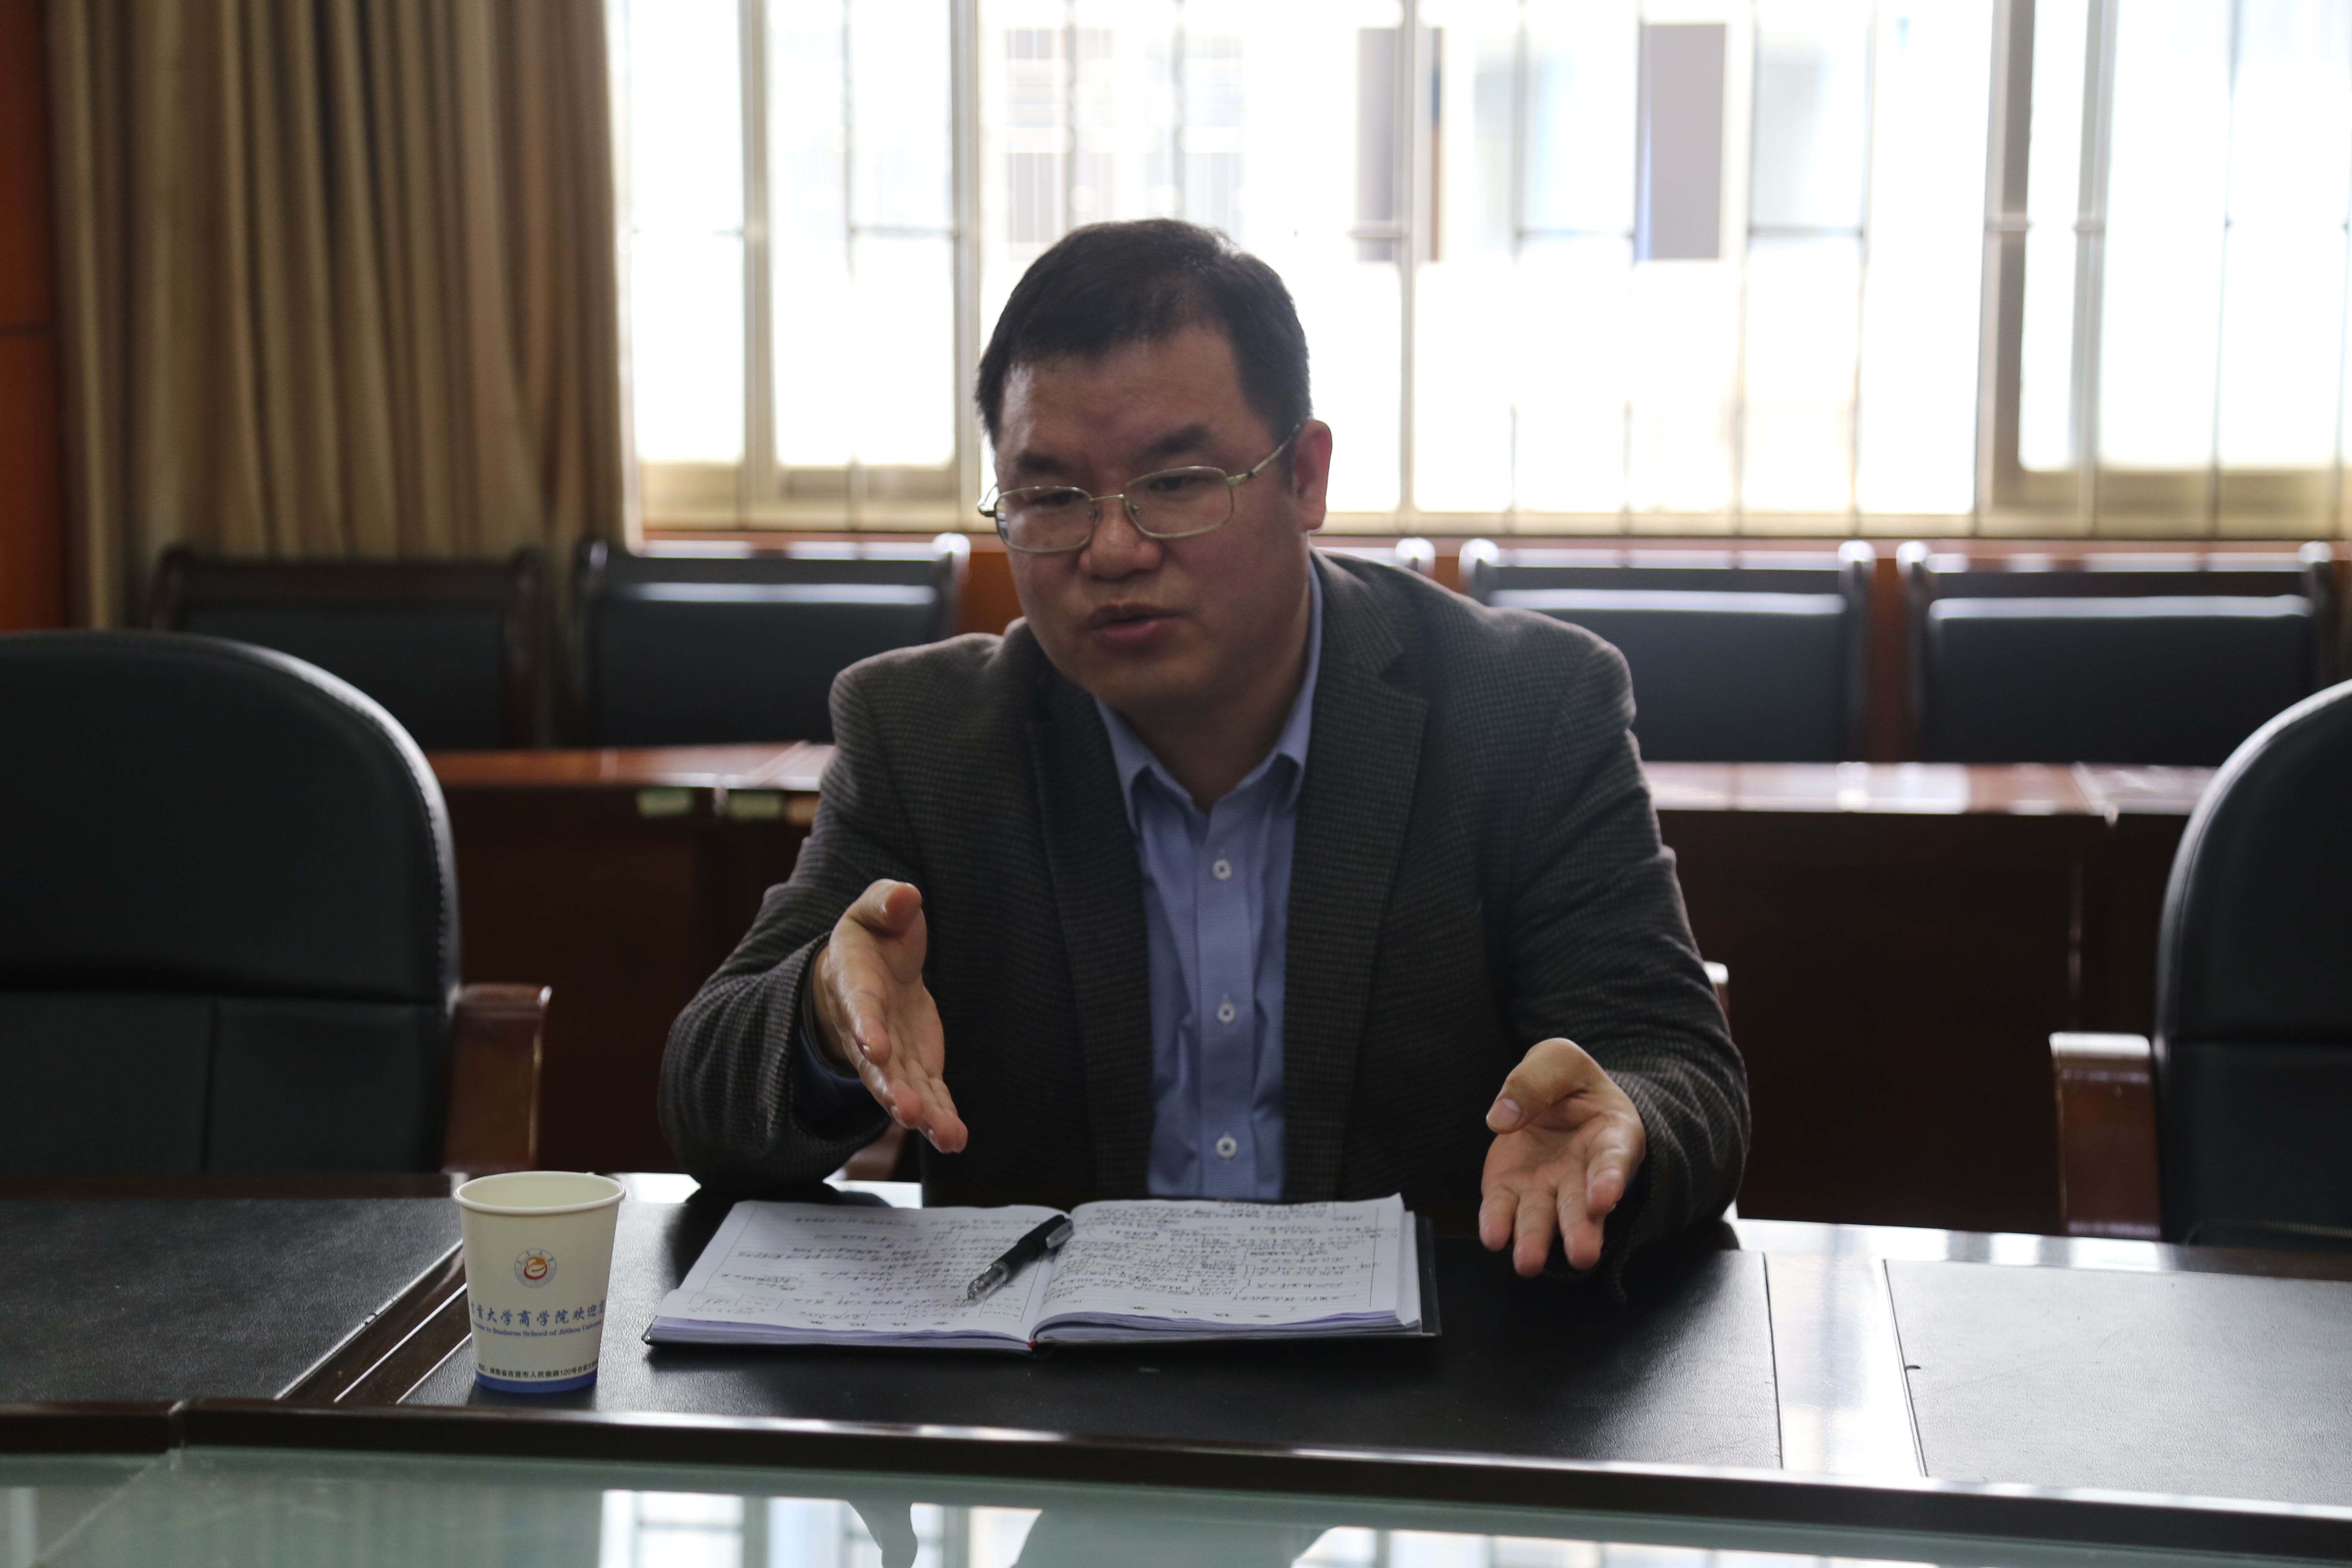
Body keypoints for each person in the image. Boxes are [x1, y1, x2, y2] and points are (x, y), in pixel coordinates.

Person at [660, 219, 1747, 1280]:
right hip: (1044, 1376)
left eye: (1175, 483)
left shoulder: (1526, 708)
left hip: (1422, 1376)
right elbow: (703, 1096)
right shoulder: (927, 737)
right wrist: (821, 1020)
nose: (1113, 548)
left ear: (1306, 477)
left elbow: (1674, 1066)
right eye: (1051, 496)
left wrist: (1626, 1132)